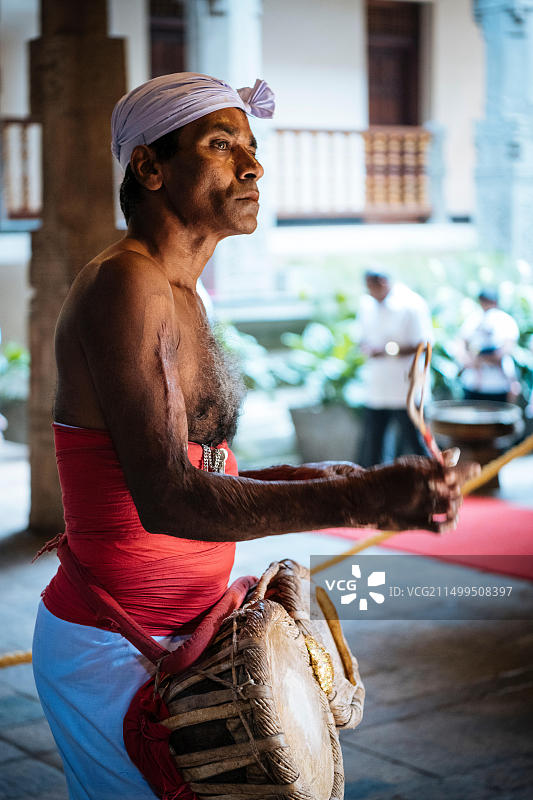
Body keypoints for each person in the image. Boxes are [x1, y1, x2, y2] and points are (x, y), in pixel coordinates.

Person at [32, 73, 476, 800]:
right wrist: (361, 499)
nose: (252, 166)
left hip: (178, 630)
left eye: (251, 145)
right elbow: (167, 501)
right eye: (219, 144)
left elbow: (194, 466)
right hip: (116, 643)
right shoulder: (125, 285)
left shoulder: (182, 293)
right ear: (148, 167)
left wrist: (320, 480)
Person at [358, 270, 434, 467]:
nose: (370, 291)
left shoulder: (411, 304)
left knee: (415, 441)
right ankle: (374, 486)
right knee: (373, 444)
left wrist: (388, 350)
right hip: (377, 387)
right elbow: (363, 338)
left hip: (405, 387)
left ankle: (434, 483)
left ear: (383, 282)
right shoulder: (366, 305)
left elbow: (424, 344)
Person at [457, 288, 520, 403]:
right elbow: (461, 345)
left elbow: (507, 348)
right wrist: (470, 360)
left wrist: (484, 359)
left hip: (499, 385)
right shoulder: (473, 319)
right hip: (474, 384)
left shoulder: (506, 321)